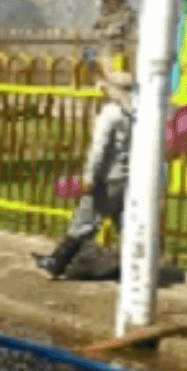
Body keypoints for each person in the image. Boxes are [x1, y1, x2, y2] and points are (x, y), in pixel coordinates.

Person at [35, 67, 135, 280]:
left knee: (84, 221)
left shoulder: (111, 113)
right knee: (127, 223)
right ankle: (135, 268)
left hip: (107, 178)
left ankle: (57, 262)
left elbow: (98, 149)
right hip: (129, 179)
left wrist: (89, 177)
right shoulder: (139, 113)